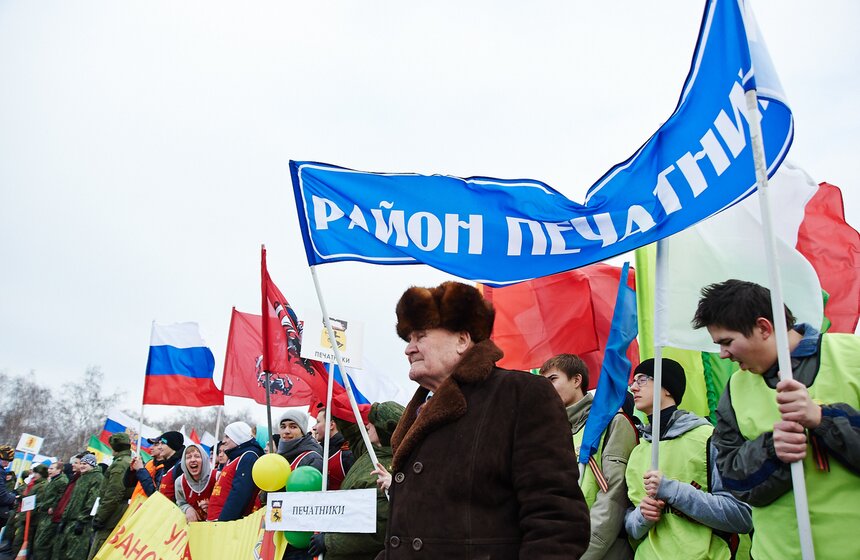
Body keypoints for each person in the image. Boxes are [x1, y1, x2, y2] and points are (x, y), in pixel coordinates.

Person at [378, 281, 590, 559]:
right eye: (408, 339)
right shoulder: (419, 409)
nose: (409, 349)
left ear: (462, 340)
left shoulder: (521, 394)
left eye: (420, 336)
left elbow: (556, 519)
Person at [693, 279, 860, 559]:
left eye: (727, 342)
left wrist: (822, 419)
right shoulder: (734, 390)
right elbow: (733, 480)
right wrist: (772, 450)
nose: (723, 354)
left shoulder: (852, 354)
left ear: (764, 327)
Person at [624, 358, 752, 559]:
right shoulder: (637, 451)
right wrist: (641, 517)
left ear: (667, 388)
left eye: (641, 380)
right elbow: (631, 526)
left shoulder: (708, 438)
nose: (632, 388)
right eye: (633, 382)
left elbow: (741, 516)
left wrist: (673, 490)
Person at [540, 353, 638, 560]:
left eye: (552, 379)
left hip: (599, 551)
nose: (546, 388)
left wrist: (583, 552)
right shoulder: (549, 432)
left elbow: (614, 495)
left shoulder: (612, 422)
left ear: (577, 380)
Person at [309, 401, 404, 560]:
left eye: (372, 424)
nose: (367, 426)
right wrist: (336, 405)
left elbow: (379, 530)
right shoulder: (373, 453)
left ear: (384, 431)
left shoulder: (386, 472)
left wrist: (330, 542)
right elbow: (353, 434)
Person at [88, 433, 134, 559]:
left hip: (112, 515)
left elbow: (114, 494)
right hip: (116, 511)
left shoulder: (120, 464)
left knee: (99, 551)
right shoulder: (126, 461)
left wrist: (100, 517)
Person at [207, 422, 264, 521]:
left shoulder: (248, 456)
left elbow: (240, 494)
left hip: (226, 524)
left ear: (238, 436)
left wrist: (224, 521)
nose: (223, 441)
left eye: (227, 437)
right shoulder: (234, 457)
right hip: (216, 520)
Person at [58, 454, 103, 560]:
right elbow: (72, 500)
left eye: (85, 464)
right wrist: (64, 517)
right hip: (70, 521)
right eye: (81, 463)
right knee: (63, 552)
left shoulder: (97, 478)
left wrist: (82, 520)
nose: (82, 466)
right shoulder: (81, 478)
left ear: (92, 465)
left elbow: (91, 502)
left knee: (75, 555)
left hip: (82, 523)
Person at [50, 453, 84, 560]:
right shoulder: (74, 479)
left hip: (69, 520)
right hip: (62, 517)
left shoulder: (80, 480)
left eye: (76, 463)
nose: (73, 465)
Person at [10, 463, 48, 557]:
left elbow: (35, 503)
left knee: (21, 542)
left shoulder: (42, 486)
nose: (34, 475)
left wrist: (25, 517)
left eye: (36, 473)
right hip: (25, 516)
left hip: (30, 519)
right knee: (18, 541)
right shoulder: (35, 483)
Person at [313, 406, 355, 490]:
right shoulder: (318, 452)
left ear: (331, 425)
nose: (314, 427)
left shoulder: (346, 453)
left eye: (318, 422)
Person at [33, 461, 68, 560]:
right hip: (44, 513)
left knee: (41, 544)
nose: (49, 470)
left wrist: (53, 506)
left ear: (59, 470)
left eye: (52, 468)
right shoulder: (53, 480)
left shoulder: (62, 481)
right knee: (38, 542)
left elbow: (61, 496)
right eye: (49, 468)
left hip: (50, 516)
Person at [175, 443, 216, 523]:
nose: (193, 460)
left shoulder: (217, 477)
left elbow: (225, 503)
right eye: (188, 457)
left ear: (204, 459)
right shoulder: (179, 482)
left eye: (197, 456)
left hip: (215, 527)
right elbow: (180, 503)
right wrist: (187, 508)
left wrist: (212, 506)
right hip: (193, 529)